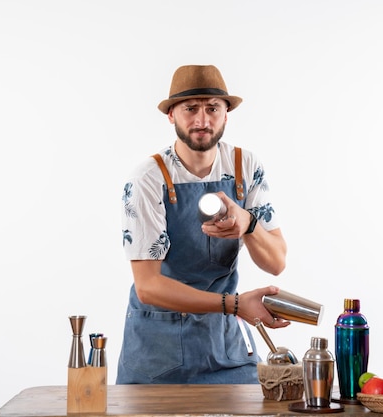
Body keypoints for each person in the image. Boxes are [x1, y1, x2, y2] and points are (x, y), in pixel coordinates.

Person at [116, 65, 289, 384]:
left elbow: (276, 262)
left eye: (212, 108)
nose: (202, 120)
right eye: (190, 108)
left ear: (226, 114)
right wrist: (235, 305)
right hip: (157, 354)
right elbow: (148, 286)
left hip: (224, 351)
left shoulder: (245, 166)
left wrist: (248, 224)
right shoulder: (148, 179)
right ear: (171, 114)